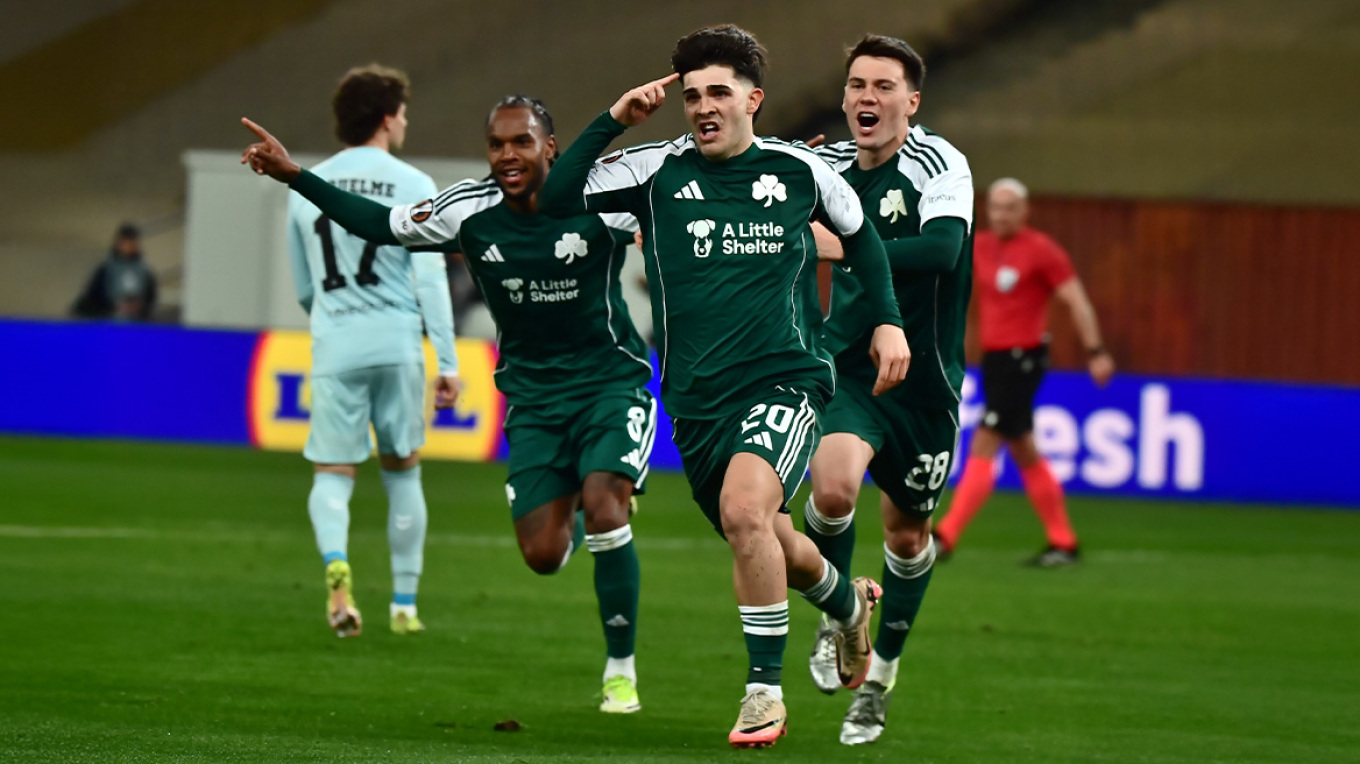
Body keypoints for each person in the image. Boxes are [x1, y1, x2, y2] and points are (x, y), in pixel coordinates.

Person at [536, 24, 912, 748]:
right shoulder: (656, 170)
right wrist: (614, 120)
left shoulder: (799, 172)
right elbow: (554, 199)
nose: (704, 106)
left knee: (745, 512)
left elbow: (862, 235)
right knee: (771, 540)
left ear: (752, 99)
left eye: (719, 92)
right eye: (693, 96)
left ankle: (763, 694)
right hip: (696, 402)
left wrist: (888, 322)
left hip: (786, 380)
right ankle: (848, 604)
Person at [242, 95, 653, 714]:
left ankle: (620, 669)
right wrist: (296, 176)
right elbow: (379, 225)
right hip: (534, 400)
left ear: (550, 147)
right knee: (543, 556)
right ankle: (583, 497)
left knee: (605, 506)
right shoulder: (468, 211)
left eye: (521, 142)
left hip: (609, 385)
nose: (507, 155)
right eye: (496, 144)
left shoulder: (601, 200)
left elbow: (676, 216)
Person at [800, 35, 973, 745]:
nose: (866, 97)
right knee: (833, 491)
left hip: (925, 385)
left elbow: (942, 251)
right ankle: (841, 615)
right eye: (857, 85)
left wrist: (842, 244)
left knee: (906, 536)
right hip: (851, 369)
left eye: (883, 86)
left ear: (912, 101)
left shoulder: (939, 163)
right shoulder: (828, 168)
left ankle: (880, 681)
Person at [281, 65, 459, 638]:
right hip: (397, 343)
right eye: (402, 113)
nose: (405, 122)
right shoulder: (414, 183)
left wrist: (337, 319)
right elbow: (430, 280)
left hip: (337, 344)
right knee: (402, 473)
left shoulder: (307, 185)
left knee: (333, 473)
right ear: (386, 119)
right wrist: (448, 362)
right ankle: (404, 605)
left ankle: (337, 565)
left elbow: (305, 289)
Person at [933, 177, 1115, 566]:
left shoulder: (1041, 251)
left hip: (1024, 358)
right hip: (996, 360)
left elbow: (1076, 301)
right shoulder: (979, 245)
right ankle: (1063, 542)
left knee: (986, 438)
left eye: (1010, 208)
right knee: (1023, 448)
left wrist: (1096, 351)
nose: (1001, 215)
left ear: (1025, 211)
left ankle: (944, 537)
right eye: (996, 207)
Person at [70, 223, 158, 320]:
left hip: (137, 324)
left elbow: (150, 300)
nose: (129, 247)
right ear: (119, 243)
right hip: (108, 322)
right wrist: (113, 306)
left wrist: (138, 307)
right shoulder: (106, 269)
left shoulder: (145, 270)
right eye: (126, 243)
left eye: (132, 243)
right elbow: (93, 297)